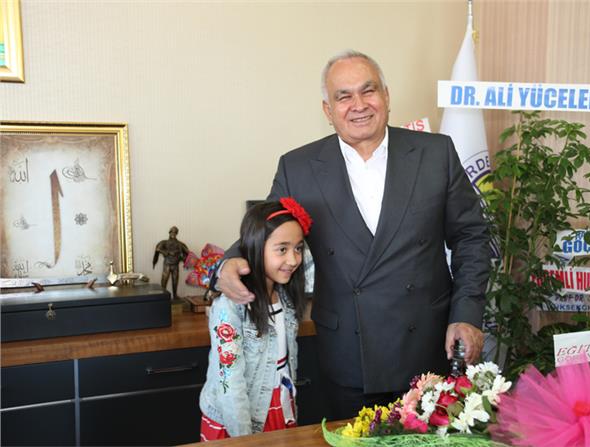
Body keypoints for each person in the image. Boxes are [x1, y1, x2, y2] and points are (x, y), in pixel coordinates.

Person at [213, 50, 492, 419]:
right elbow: (266, 231)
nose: (358, 105)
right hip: (347, 352)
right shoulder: (299, 167)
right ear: (328, 110)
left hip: (428, 345)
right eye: (343, 96)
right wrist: (229, 262)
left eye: (368, 91)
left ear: (386, 96)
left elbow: (472, 237)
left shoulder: (435, 153)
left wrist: (467, 314)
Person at [199, 198, 311, 440]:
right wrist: (245, 439)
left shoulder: (285, 296)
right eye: (282, 249)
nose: (293, 260)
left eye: (298, 248)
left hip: (280, 404)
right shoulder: (230, 306)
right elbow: (229, 383)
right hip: (238, 420)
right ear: (256, 248)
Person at [152, 226, 189, 299]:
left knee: (175, 280)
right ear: (169, 232)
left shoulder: (180, 244)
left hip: (175, 265)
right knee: (164, 280)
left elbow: (187, 252)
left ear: (177, 234)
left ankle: (175, 295)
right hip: (167, 264)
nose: (173, 234)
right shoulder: (164, 242)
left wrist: (185, 256)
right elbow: (158, 249)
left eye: (175, 232)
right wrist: (167, 252)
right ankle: (163, 295)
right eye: (172, 232)